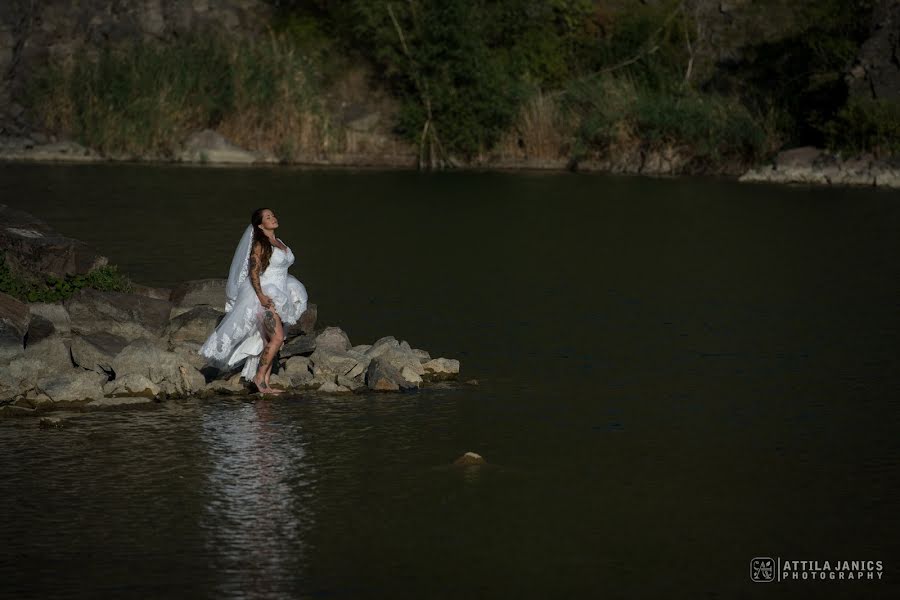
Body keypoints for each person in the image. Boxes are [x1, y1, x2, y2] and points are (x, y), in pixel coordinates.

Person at [200, 208, 308, 394]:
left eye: (273, 215)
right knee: (277, 338)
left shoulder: (279, 242)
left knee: (269, 340)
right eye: (268, 217)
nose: (273, 218)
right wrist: (261, 296)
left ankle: (265, 382)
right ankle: (259, 378)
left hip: (282, 292)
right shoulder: (260, 244)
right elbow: (253, 272)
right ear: (260, 225)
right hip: (265, 295)